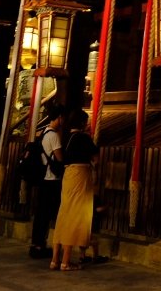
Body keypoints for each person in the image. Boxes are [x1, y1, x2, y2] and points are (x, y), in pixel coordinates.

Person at [50, 109, 98, 271]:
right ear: (83, 123)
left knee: (64, 212)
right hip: (81, 175)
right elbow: (96, 158)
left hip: (68, 175)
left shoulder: (65, 137)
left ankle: (55, 260)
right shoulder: (84, 138)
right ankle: (66, 261)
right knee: (75, 215)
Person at [28, 103, 65, 259]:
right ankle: (41, 245)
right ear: (60, 118)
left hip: (43, 178)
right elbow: (59, 158)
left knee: (40, 213)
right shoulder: (53, 136)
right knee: (47, 213)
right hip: (52, 179)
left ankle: (36, 244)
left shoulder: (43, 132)